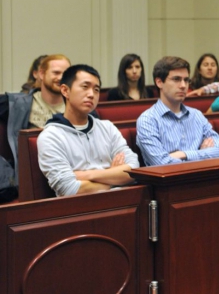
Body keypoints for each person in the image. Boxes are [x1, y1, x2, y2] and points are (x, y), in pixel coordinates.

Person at [37, 65, 139, 196]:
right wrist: (114, 175)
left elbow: (134, 170)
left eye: (96, 89)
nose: (91, 94)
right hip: (79, 210)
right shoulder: (51, 136)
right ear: (65, 91)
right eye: (85, 87)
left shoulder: (107, 128)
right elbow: (69, 189)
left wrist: (86, 175)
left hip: (119, 204)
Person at [0, 54, 71, 199]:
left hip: (68, 169)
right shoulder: (18, 103)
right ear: (41, 74)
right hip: (30, 174)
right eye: (56, 73)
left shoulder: (76, 106)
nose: (61, 77)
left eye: (66, 73)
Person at [136, 56, 219, 166]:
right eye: (176, 79)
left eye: (186, 80)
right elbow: (162, 164)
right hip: (171, 183)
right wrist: (202, 154)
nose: (183, 86)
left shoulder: (197, 115)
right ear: (159, 82)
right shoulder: (148, 120)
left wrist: (183, 154)